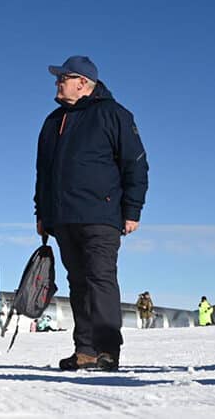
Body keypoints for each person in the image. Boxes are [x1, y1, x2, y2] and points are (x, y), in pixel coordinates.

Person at [34, 56, 149, 373]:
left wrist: (132, 209)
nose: (58, 83)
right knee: (78, 284)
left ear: (83, 82)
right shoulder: (52, 121)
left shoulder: (114, 114)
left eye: (63, 78)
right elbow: (43, 173)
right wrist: (42, 213)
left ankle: (107, 349)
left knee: (100, 279)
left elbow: (136, 163)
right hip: (63, 217)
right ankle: (84, 350)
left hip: (101, 214)